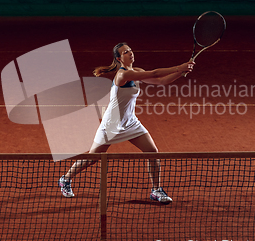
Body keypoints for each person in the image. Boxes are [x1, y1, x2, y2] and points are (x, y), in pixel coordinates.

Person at [58, 42, 194, 203]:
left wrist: (181, 72)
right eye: (125, 52)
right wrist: (179, 67)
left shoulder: (137, 72)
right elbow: (156, 73)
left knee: (153, 152)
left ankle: (156, 190)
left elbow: (161, 81)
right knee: (93, 158)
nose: (130, 53)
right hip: (112, 125)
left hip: (131, 123)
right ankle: (65, 179)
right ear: (119, 58)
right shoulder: (123, 75)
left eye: (130, 50)